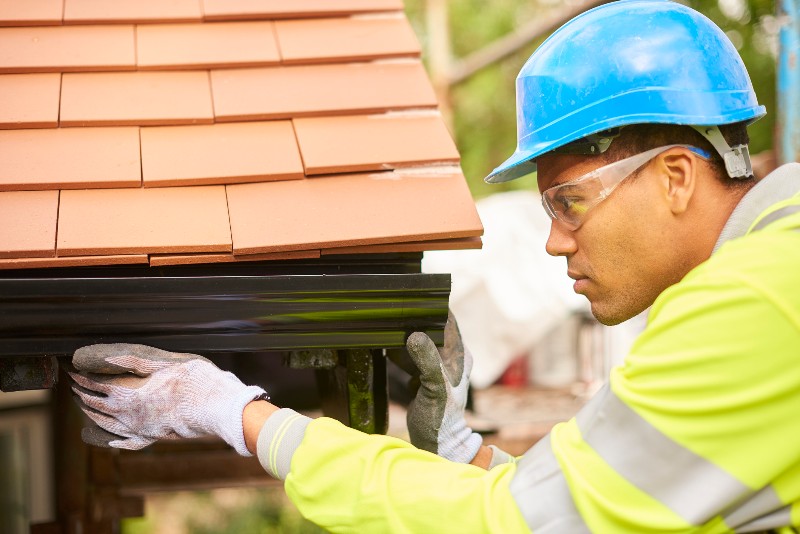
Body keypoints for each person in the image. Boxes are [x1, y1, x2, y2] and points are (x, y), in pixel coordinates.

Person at [68, 1, 800, 532]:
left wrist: (237, 414)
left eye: (571, 202)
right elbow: (583, 504)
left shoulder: (752, 306)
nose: (554, 241)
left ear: (675, 176)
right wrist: (463, 451)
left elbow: (520, 526)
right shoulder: (772, 272)